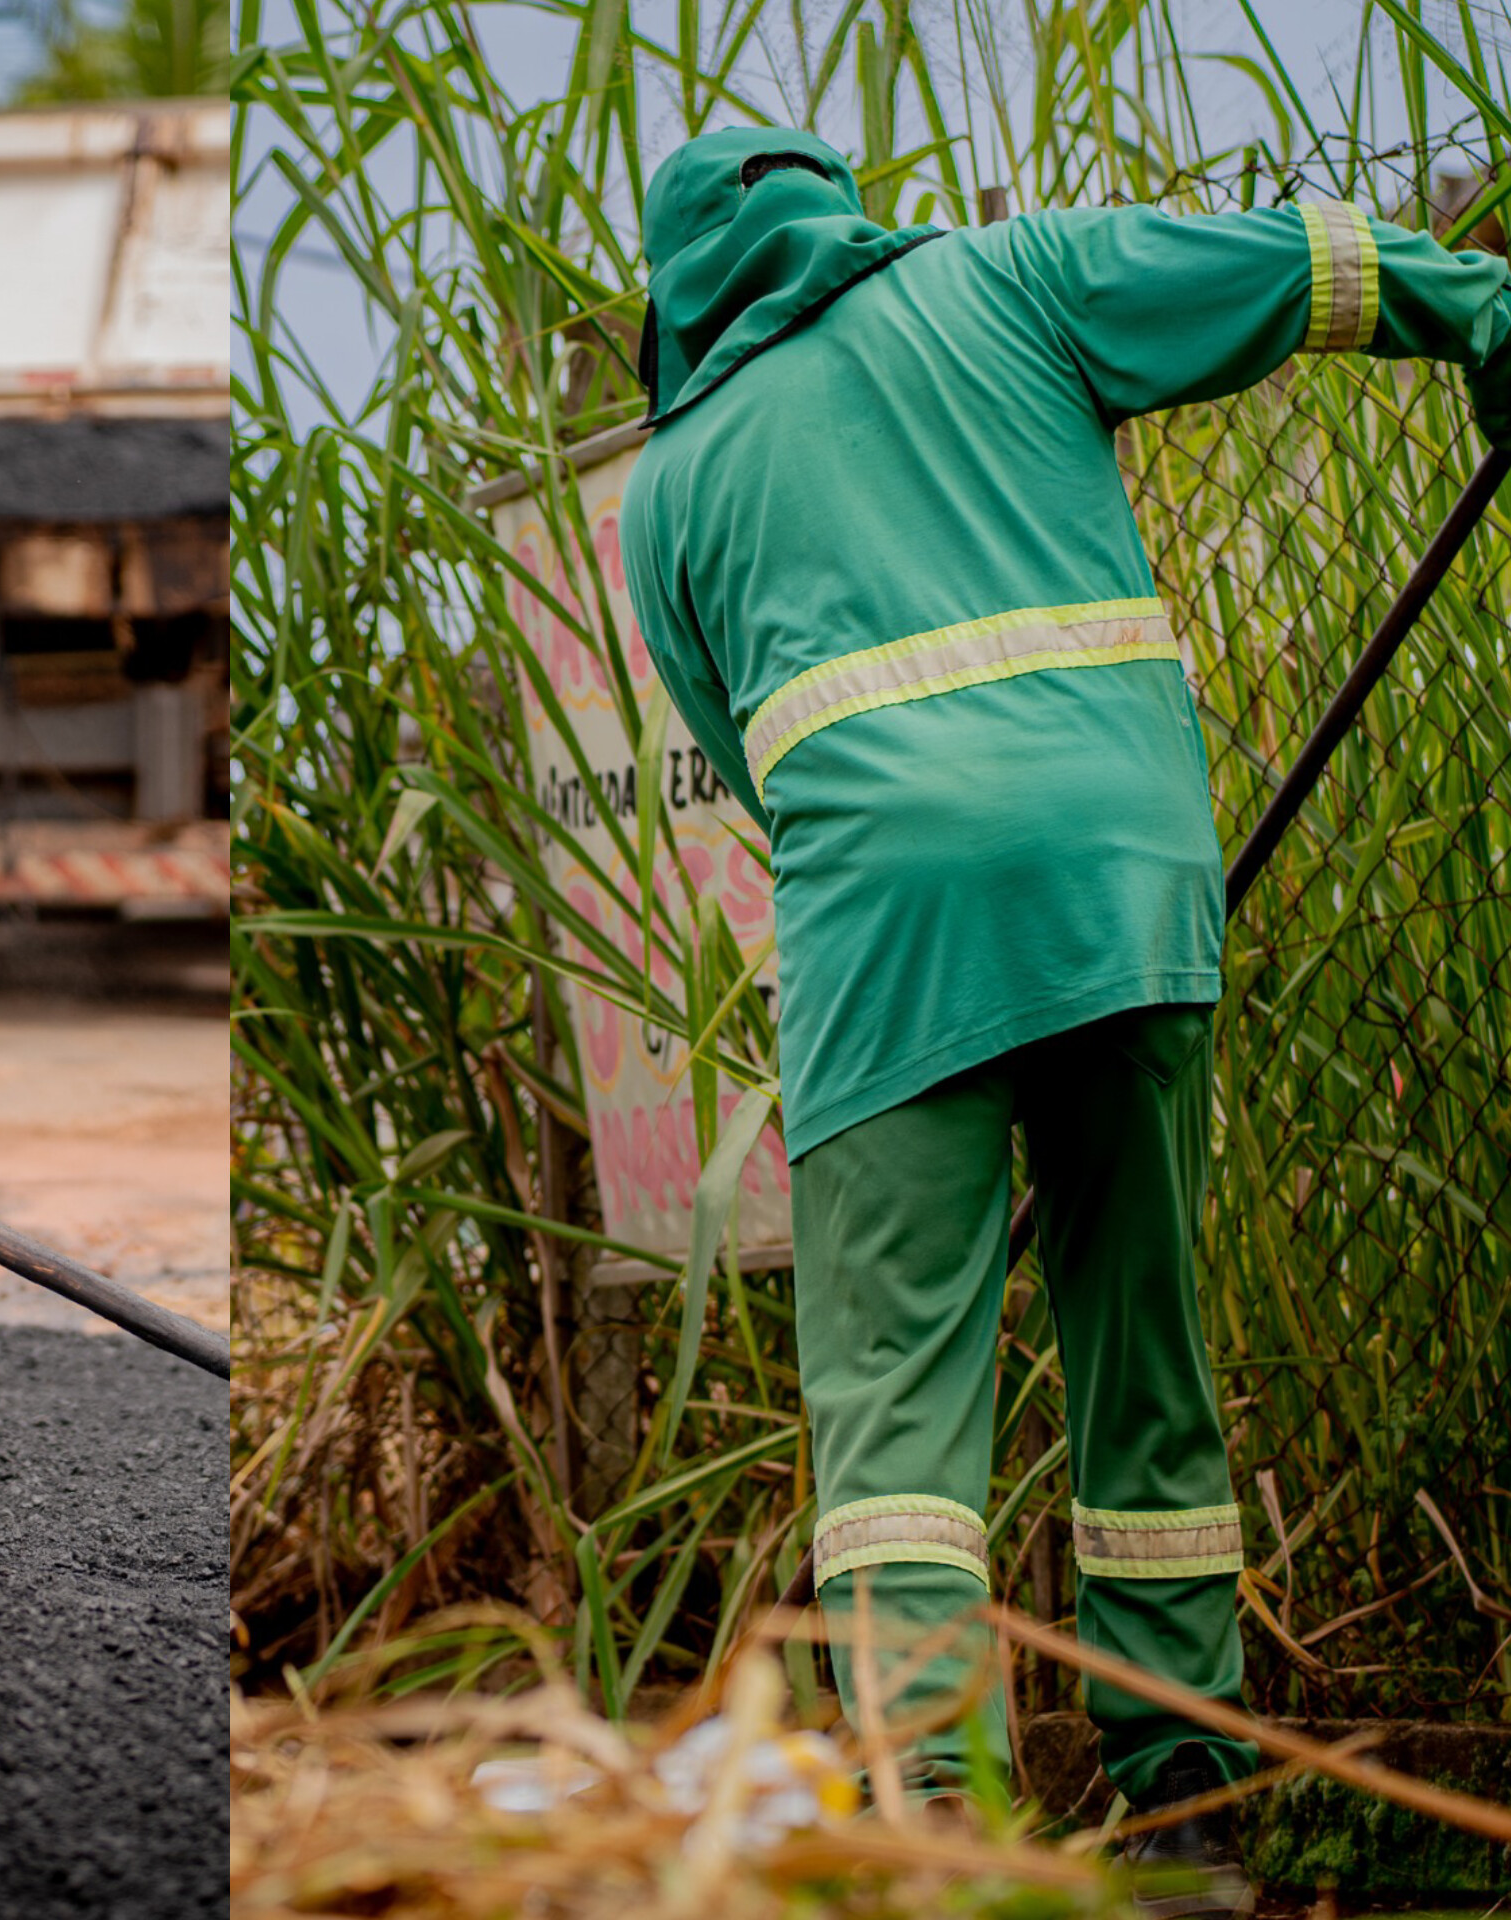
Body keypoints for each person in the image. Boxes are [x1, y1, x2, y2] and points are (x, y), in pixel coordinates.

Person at [619, 126, 1511, 1906]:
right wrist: (1486, 311)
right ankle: (1188, 1802)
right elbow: (1293, 266)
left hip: (892, 950)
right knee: (1144, 1359)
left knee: (893, 1424)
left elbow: (749, 763)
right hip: (1125, 897)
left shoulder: (672, 490)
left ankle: (935, 1818)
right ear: (836, 210)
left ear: (675, 293)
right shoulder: (1008, 279)